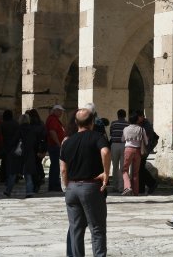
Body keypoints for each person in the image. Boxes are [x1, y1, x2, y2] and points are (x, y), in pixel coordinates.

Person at [61, 108, 110, 257]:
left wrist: (66, 184)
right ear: (92, 122)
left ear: (76, 123)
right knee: (97, 229)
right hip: (90, 187)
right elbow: (106, 152)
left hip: (72, 188)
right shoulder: (97, 137)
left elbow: (63, 168)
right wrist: (106, 173)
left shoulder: (68, 141)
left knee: (76, 229)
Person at [5, 113, 40, 198]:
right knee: (28, 174)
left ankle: (8, 190)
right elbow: (35, 142)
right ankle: (29, 191)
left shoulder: (18, 129)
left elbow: (14, 141)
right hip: (29, 154)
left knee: (13, 173)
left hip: (18, 154)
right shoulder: (32, 130)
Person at [121, 113, 147, 196]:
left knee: (125, 170)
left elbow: (122, 139)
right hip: (138, 151)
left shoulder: (125, 129)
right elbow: (146, 141)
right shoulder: (141, 129)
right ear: (137, 120)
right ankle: (136, 192)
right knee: (136, 172)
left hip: (128, 149)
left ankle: (128, 187)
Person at [46, 104, 66, 192]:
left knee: (55, 166)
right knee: (55, 166)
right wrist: (59, 144)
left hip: (54, 145)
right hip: (54, 146)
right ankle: (54, 185)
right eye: (60, 111)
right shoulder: (53, 119)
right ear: (55, 111)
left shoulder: (54, 119)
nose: (61, 113)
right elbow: (52, 132)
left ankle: (54, 184)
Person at [108, 109, 128, 193]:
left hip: (114, 145)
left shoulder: (113, 123)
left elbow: (111, 133)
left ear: (117, 115)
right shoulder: (127, 124)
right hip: (124, 145)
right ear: (125, 115)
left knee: (115, 166)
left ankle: (114, 186)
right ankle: (121, 187)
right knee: (122, 167)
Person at [0, 109, 19, 185]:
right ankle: (15, 178)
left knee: (5, 163)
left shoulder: (3, 124)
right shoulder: (16, 123)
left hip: (6, 146)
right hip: (15, 146)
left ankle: (5, 178)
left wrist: (0, 142)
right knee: (14, 163)